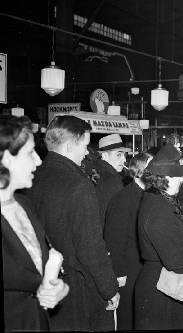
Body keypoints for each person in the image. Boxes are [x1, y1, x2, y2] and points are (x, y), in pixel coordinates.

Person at [25, 115, 120, 332]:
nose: (87, 153)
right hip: (77, 292)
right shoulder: (79, 185)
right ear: (70, 146)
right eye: (85, 146)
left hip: (43, 286)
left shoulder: (33, 176)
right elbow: (90, 247)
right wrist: (109, 289)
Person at [1, 114, 69, 332]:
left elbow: (37, 269)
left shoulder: (24, 205)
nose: (39, 160)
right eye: (30, 152)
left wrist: (59, 288)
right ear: (6, 159)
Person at [135, 144, 183, 330]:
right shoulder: (158, 208)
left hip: (170, 284)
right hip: (164, 291)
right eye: (180, 176)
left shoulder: (163, 199)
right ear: (166, 177)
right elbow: (175, 259)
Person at [103, 152, 152, 331]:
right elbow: (114, 238)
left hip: (143, 268)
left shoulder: (149, 195)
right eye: (150, 168)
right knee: (128, 316)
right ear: (138, 172)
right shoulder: (123, 198)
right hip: (129, 269)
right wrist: (119, 272)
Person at [95, 133, 131, 229]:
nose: (124, 159)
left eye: (124, 155)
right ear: (105, 156)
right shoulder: (113, 180)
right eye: (118, 154)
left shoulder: (96, 173)